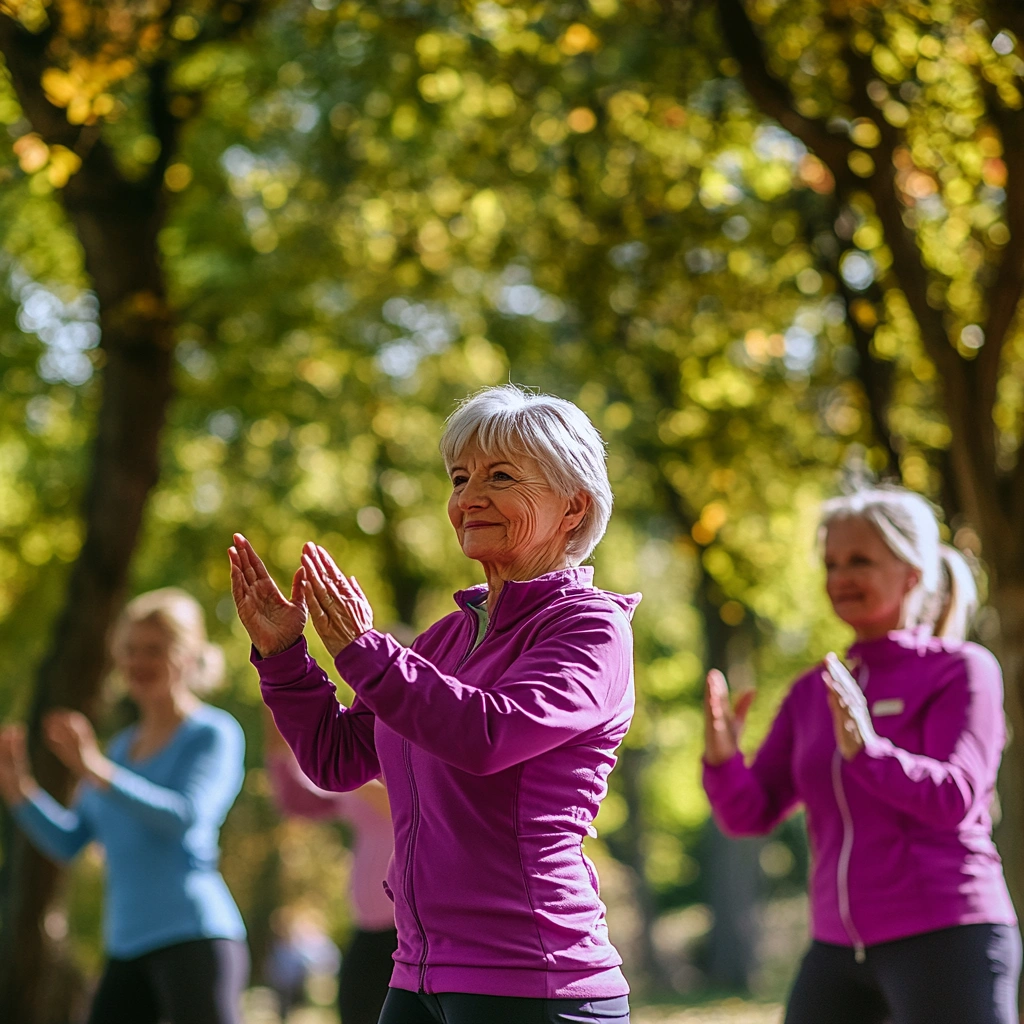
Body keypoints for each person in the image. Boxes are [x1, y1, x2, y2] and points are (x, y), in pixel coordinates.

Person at [229, 384, 638, 1024]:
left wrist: (365, 650)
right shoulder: (445, 637)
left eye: (500, 476)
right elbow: (338, 759)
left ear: (573, 507)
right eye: (459, 477)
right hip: (416, 974)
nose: (468, 498)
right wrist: (285, 657)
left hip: (534, 981)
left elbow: (487, 736)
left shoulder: (590, 629)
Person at [702, 486, 1020, 1024]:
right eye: (831, 563)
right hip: (837, 949)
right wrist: (723, 758)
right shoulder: (813, 692)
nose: (840, 577)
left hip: (946, 934)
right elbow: (748, 814)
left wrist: (868, 751)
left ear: (911, 573)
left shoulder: (963, 670)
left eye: (860, 561)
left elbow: (957, 797)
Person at [0, 588, 249, 1024]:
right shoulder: (117, 752)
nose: (139, 662)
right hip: (126, 945)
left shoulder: (212, 734)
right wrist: (19, 791)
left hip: (194, 936)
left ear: (188, 656)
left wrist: (95, 769)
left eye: (154, 649)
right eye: (130, 650)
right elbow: (70, 841)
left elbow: (186, 818)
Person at [264, 707, 396, 1024]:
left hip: (411, 931)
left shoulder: (408, 747)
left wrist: (339, 765)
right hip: (369, 928)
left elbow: (396, 802)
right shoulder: (366, 743)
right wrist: (276, 716)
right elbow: (299, 801)